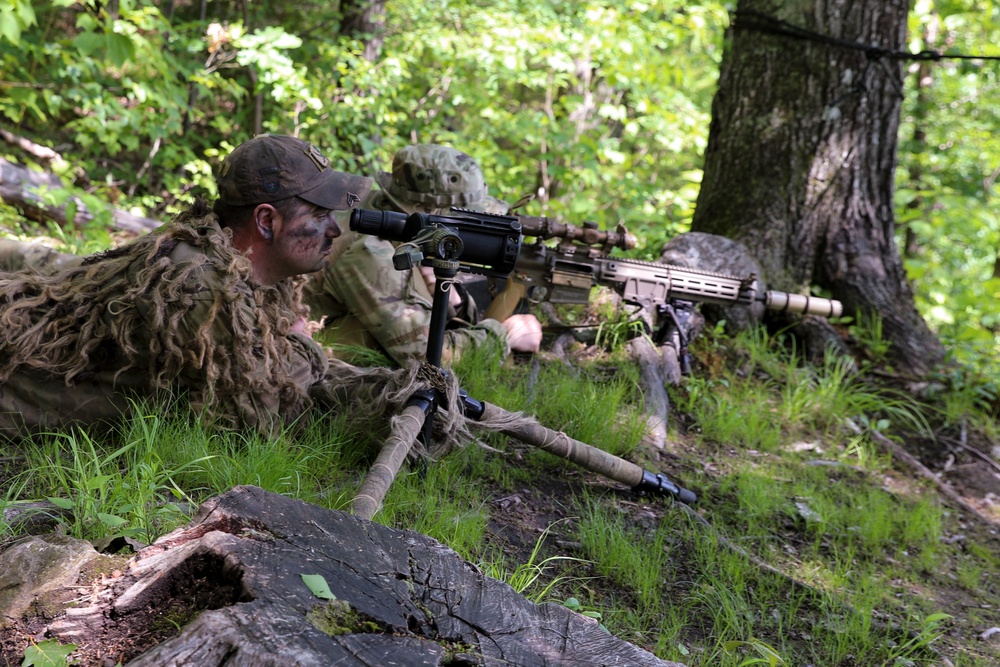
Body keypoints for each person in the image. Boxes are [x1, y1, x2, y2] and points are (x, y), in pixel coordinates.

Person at [0, 134, 372, 438]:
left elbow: (272, 366)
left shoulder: (229, 258)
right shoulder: (202, 285)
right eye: (320, 215)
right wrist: (304, 346)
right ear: (266, 222)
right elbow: (255, 421)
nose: (335, 231)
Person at [305, 144, 542, 366]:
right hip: (309, 365)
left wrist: (455, 301)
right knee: (376, 343)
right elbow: (428, 356)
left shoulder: (391, 218)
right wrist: (505, 336)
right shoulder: (369, 250)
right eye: (466, 217)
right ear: (430, 211)